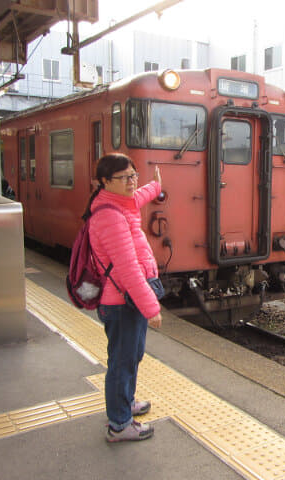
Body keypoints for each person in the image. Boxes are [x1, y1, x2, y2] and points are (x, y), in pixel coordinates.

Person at [84, 153, 163, 442]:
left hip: (125, 301)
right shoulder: (109, 217)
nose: (132, 183)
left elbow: (138, 197)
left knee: (130, 356)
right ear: (105, 181)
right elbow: (127, 269)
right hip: (121, 302)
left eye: (134, 176)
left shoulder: (119, 202)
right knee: (122, 361)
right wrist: (151, 308)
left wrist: (154, 187)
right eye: (124, 177)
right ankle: (119, 424)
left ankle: (124, 403)